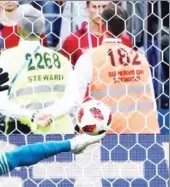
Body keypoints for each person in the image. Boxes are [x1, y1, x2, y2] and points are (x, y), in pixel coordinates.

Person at [34, 4, 160, 134]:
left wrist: (46, 113)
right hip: (145, 131)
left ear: (102, 26)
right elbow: (152, 100)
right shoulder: (141, 59)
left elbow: (73, 99)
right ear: (124, 27)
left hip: (107, 133)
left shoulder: (90, 58)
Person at [0, 4, 74, 135]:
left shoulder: (7, 58)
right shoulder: (61, 60)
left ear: (17, 28)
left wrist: (32, 116)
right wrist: (49, 114)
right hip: (59, 131)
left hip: (22, 131)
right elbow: (74, 100)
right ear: (42, 30)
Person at [59, 1, 132, 66]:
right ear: (87, 8)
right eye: (95, 7)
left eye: (105, 7)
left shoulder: (124, 41)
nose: (100, 12)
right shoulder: (73, 41)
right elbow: (65, 75)